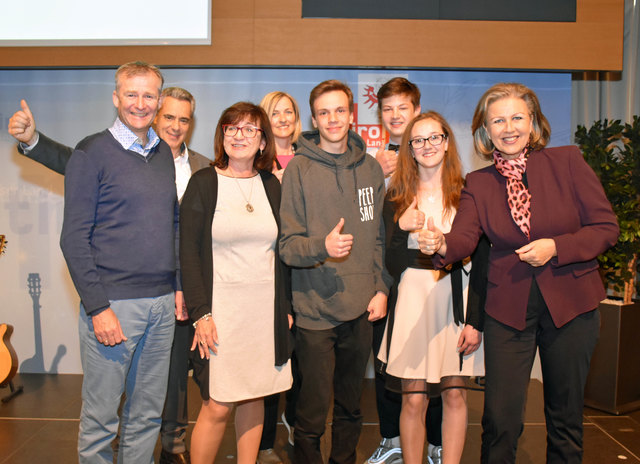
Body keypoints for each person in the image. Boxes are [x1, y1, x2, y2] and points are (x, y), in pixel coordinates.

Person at [8, 86, 211, 464]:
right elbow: (75, 171)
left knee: (153, 405)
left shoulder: (196, 164)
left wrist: (183, 286)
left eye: (184, 119)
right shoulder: (102, 151)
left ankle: (169, 445)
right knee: (103, 415)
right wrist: (33, 141)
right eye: (169, 116)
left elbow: (180, 227)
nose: (175, 125)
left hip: (169, 297)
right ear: (121, 100)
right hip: (117, 300)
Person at [419, 82, 619, 463]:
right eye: (498, 120)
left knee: (565, 417)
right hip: (508, 309)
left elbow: (606, 228)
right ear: (485, 130)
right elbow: (463, 238)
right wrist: (440, 244)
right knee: (500, 419)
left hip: (572, 305)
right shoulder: (478, 183)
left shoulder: (568, 162)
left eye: (516, 117)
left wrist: (557, 247)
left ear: (533, 123)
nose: (508, 127)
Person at [58, 61, 180, 463]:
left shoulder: (163, 153)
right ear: (116, 97)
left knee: (146, 416)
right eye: (132, 94)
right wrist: (98, 307)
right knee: (100, 422)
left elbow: (173, 224)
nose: (140, 104)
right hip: (114, 307)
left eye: (149, 95)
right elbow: (73, 238)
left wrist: (178, 285)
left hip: (162, 306)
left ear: (159, 101)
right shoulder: (90, 153)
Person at [279, 79, 392, 464]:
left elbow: (377, 238)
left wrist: (381, 288)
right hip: (313, 311)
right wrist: (321, 248)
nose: (332, 119)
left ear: (351, 115)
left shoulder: (371, 169)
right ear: (313, 118)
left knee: (350, 407)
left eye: (340, 110)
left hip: (360, 309)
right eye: (324, 112)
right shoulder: (299, 169)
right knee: (311, 412)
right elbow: (288, 246)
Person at [179, 102, 293, 464]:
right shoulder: (204, 183)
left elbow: (282, 253)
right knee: (216, 405)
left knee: (255, 396)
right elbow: (189, 255)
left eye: (249, 129)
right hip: (220, 313)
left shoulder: (271, 185)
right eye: (232, 128)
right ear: (222, 135)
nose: (239, 135)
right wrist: (201, 314)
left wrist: (285, 310)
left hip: (263, 313)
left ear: (263, 142)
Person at [378, 112, 486, 464]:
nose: (427, 146)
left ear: (447, 142)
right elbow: (388, 263)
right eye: (418, 140)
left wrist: (475, 319)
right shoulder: (396, 195)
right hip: (411, 298)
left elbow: (482, 258)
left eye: (434, 138)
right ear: (409, 148)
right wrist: (399, 228)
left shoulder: (469, 191)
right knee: (413, 397)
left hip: (456, 296)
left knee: (455, 394)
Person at [366, 77, 444, 464]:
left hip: (431, 276)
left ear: (417, 110)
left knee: (436, 363)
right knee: (387, 363)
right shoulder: (372, 161)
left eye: (403, 108)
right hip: (384, 275)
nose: (396, 116)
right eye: (388, 109)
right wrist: (374, 174)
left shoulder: (436, 158)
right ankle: (391, 437)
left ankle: (435, 442)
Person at [256, 90, 303, 464]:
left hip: (308, 272)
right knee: (272, 361)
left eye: (289, 111)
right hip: (268, 272)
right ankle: (265, 441)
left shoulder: (311, 157)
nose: (283, 118)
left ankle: (297, 425)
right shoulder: (255, 163)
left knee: (304, 362)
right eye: (275, 112)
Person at [260, 90, 302, 182]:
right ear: (264, 119)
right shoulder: (257, 161)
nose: (283, 119)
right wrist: (271, 184)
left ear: (296, 117)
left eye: (288, 112)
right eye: (274, 114)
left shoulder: (308, 156)